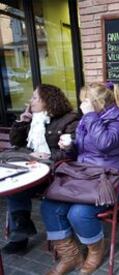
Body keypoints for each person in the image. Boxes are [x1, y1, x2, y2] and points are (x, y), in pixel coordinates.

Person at [40, 82, 119, 275]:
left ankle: (96, 251)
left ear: (97, 102)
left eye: (86, 100)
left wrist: (90, 115)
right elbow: (84, 150)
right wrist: (70, 145)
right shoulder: (89, 120)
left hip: (112, 182)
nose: (82, 104)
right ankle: (70, 256)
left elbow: (105, 144)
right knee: (49, 205)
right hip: (86, 179)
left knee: (79, 213)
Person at [1, 84, 79, 254]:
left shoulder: (70, 119)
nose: (31, 101)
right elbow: (16, 142)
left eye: (35, 97)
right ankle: (20, 234)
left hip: (54, 174)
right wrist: (22, 122)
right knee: (14, 188)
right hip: (32, 168)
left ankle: (21, 233)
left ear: (48, 100)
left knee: (17, 191)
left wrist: (47, 155)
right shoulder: (34, 119)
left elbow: (70, 152)